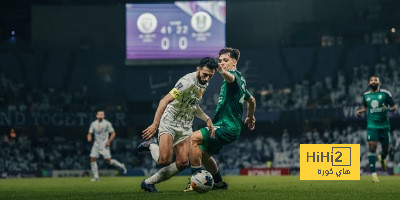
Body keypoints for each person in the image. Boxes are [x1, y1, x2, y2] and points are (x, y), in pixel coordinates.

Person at [138, 57, 218, 192]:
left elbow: (193, 105)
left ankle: (148, 183)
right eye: (205, 75)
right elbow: (164, 101)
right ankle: (151, 145)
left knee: (182, 163)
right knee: (164, 161)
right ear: (198, 69)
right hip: (170, 121)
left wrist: (207, 118)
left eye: (211, 76)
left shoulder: (204, 84)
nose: (207, 78)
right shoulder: (185, 82)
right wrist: (154, 124)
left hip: (185, 125)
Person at [189, 47, 256, 189]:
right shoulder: (241, 82)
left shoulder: (234, 77)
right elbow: (252, 100)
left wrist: (220, 70)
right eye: (220, 61)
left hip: (227, 127)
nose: (222, 63)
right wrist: (250, 117)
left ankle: (193, 181)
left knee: (192, 139)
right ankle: (219, 183)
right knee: (203, 153)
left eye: (226, 60)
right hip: (228, 126)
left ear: (234, 62)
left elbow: (230, 78)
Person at [356, 75, 396, 183]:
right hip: (372, 126)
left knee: (385, 150)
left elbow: (394, 107)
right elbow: (365, 107)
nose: (373, 82)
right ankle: (373, 174)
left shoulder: (385, 94)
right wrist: (360, 111)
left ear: (379, 83)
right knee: (372, 147)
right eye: (371, 80)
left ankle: (382, 158)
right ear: (369, 83)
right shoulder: (366, 96)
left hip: (384, 126)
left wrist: (386, 108)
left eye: (375, 80)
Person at [87, 111, 127, 182]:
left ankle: (121, 165)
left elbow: (113, 133)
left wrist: (109, 141)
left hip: (104, 144)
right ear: (96, 115)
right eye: (99, 114)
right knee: (93, 158)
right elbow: (90, 133)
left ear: (104, 116)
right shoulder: (93, 124)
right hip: (96, 144)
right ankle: (96, 177)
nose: (100, 115)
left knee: (108, 161)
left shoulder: (107, 123)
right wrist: (89, 137)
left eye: (102, 114)